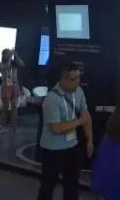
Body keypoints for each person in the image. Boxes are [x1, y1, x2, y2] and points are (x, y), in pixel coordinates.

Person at [38, 62, 93, 200]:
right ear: (63, 80)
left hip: (72, 145)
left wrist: (90, 140)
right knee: (47, 186)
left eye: (79, 78)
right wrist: (79, 121)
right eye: (73, 79)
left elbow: (86, 116)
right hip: (52, 149)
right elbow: (55, 128)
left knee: (72, 183)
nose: (77, 82)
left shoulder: (79, 92)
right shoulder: (52, 99)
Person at [0, 48, 24, 132]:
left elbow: (22, 64)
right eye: (7, 54)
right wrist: (9, 58)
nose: (9, 55)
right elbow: (7, 66)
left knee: (14, 106)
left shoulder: (14, 63)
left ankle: (14, 126)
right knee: (5, 107)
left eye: (10, 53)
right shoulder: (1, 64)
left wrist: (16, 55)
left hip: (15, 85)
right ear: (3, 55)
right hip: (6, 85)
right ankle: (1, 125)